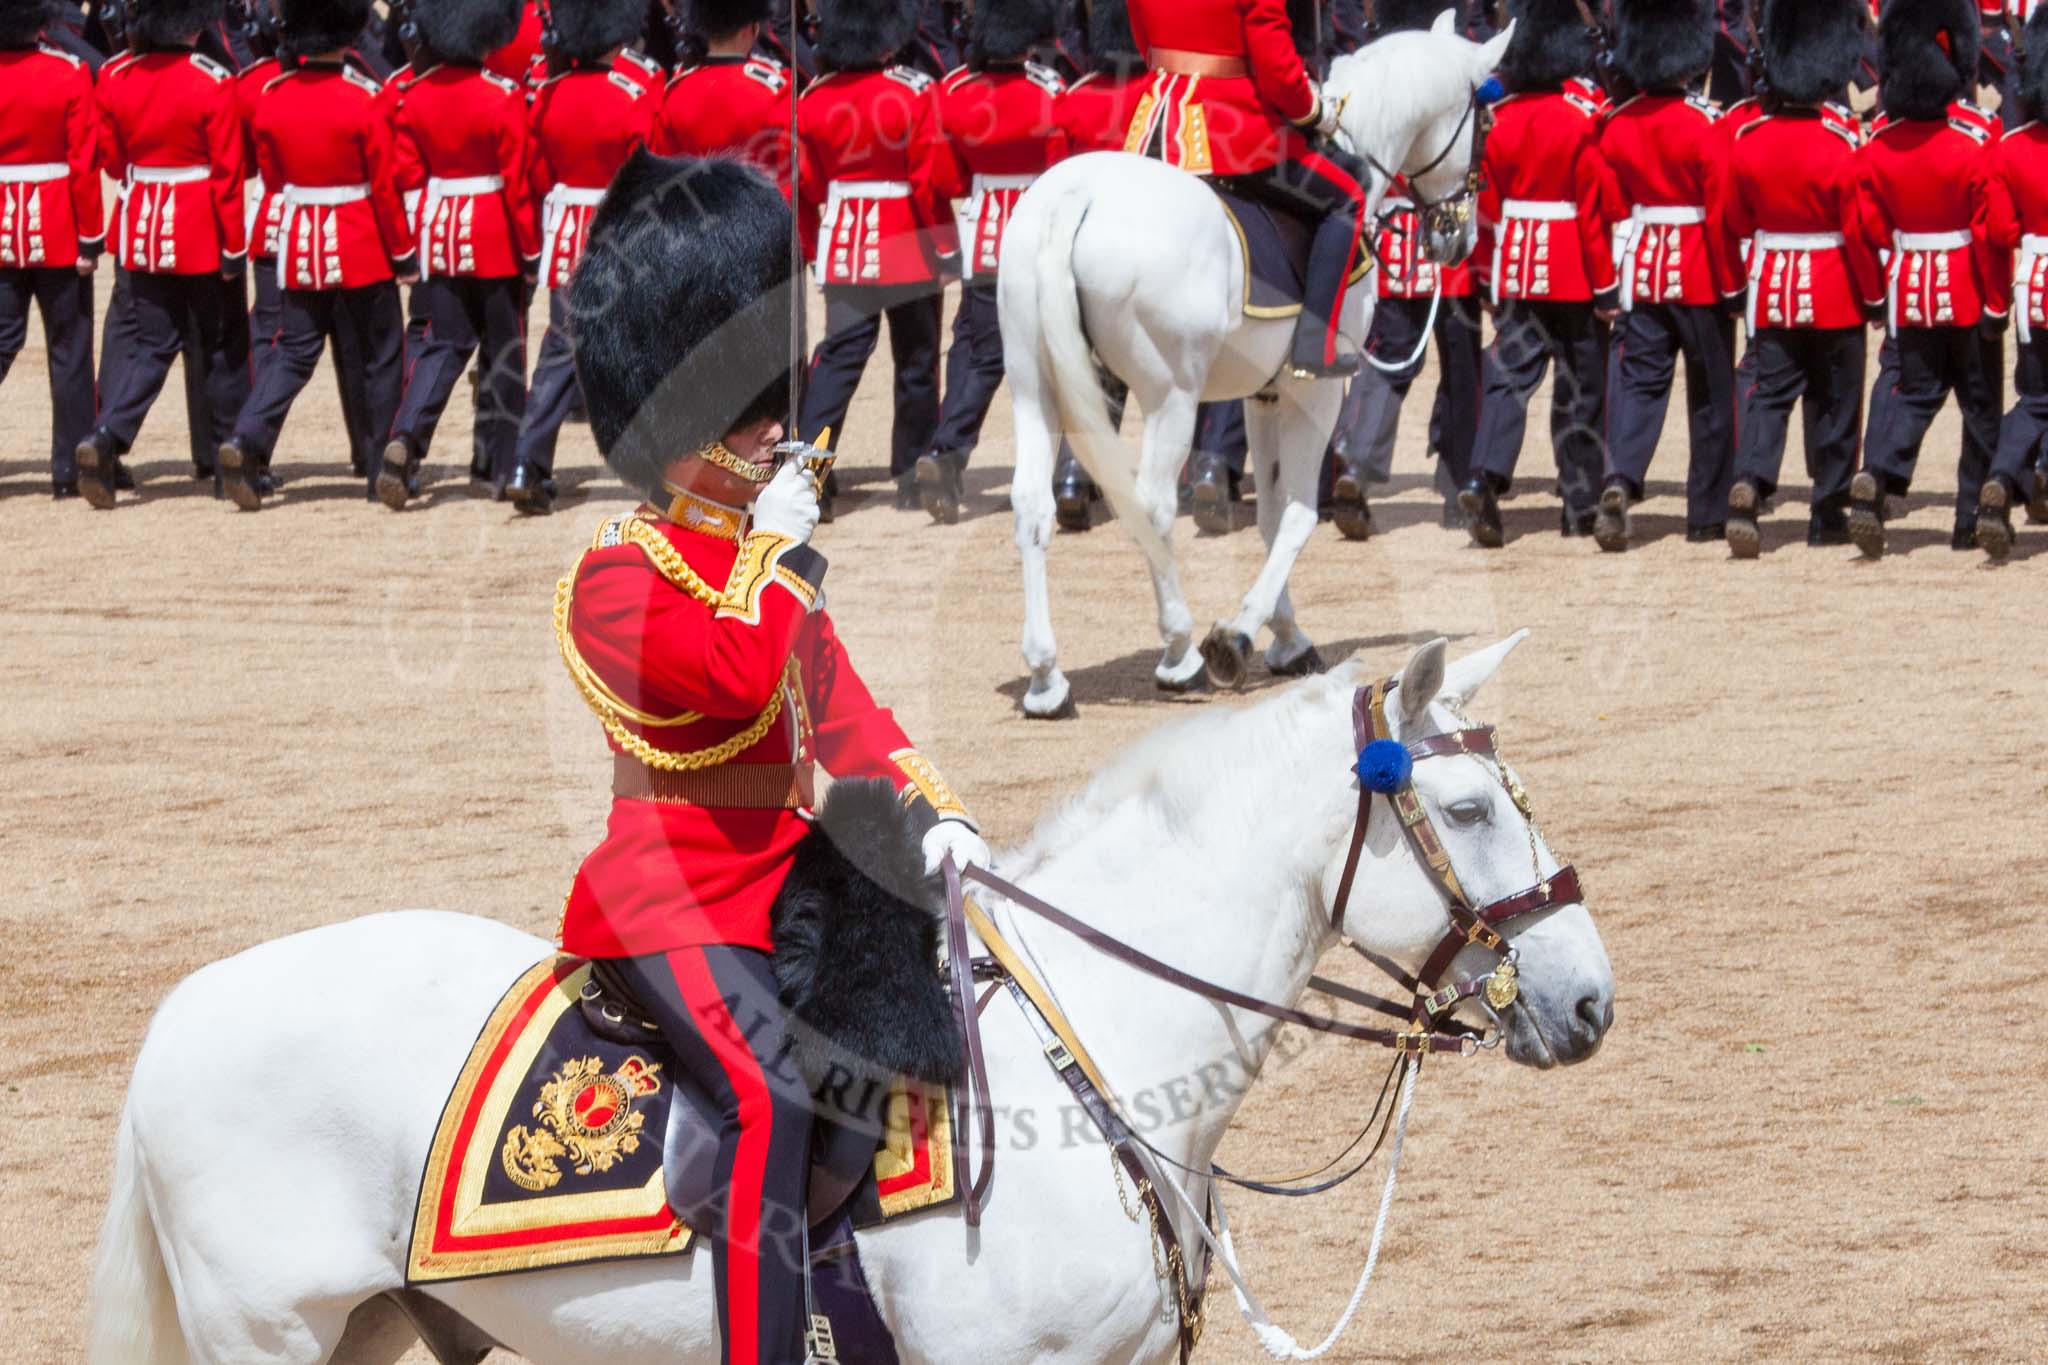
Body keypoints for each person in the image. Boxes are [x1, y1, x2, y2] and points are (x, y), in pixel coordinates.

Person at [560, 151, 987, 1365]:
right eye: (746, 416)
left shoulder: (754, 568)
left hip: (788, 873)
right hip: (671, 889)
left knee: (913, 1051)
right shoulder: (617, 576)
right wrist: (787, 560)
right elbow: (742, 676)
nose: (770, 435)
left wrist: (931, 807)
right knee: (773, 1093)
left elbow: (843, 712)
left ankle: (853, 1311)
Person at [217, 0, 416, 509]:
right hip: (359, 243)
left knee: (293, 352)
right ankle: (379, 470)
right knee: (380, 355)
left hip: (301, 242)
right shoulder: (365, 99)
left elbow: (276, 181)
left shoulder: (272, 99)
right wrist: (404, 254)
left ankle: (246, 438)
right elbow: (385, 189)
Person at [1122, 0, 1369, 379]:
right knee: (1346, 197)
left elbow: (1143, 40)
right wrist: (1318, 112)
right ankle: (1314, 345)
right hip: (1229, 128)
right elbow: (1279, 73)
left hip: (1154, 118)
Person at [1847, 0, 2008, 558]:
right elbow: (1988, 233)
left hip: (1910, 288)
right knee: (1981, 405)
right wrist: (1995, 302)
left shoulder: (1880, 144)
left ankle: (1881, 472)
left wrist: (1880, 290)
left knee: (1913, 395)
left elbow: (1868, 227)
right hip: (1965, 287)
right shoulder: (1975, 138)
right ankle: (1975, 516)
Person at [1719, 0, 1878, 558]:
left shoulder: (1750, 139)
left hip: (1773, 287)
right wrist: (1875, 296)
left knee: (1768, 393)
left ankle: (1751, 480)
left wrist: (1740, 285)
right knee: (1837, 401)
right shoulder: (1842, 142)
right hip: (1835, 289)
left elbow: (1734, 221)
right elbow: (1857, 230)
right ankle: (1827, 510)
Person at [76, 0, 248, 510]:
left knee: (152, 347)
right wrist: (234, 247)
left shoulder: (117, 76)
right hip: (200, 230)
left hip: (142, 228)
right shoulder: (213, 81)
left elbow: (111, 161)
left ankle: (107, 435)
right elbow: (227, 175)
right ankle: (226, 464)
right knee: (221, 348)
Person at [1460, 0, 1620, 548]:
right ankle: (1578, 504)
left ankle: (1484, 475)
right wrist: (1606, 287)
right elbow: (1593, 211)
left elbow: (1485, 210)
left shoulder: (1499, 120)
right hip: (1573, 266)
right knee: (1580, 387)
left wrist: (1484, 276)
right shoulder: (1582, 116)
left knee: (1509, 376)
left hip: (1517, 262)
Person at [1328, 0, 1486, 539]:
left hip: (1391, 235)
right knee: (1460, 363)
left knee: (1392, 350)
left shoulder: (1360, 73)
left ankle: (1357, 457)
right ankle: (1461, 480)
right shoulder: (1436, 73)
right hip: (1440, 223)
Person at [794, 0, 957, 509]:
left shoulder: (814, 99)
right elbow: (929, 181)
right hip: (906, 241)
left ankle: (806, 477)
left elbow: (810, 185)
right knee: (917, 360)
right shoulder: (914, 92)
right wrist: (946, 247)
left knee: (838, 359)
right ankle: (911, 474)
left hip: (845, 242)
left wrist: (816, 243)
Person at [1593, 0, 1741, 552]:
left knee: (1638, 383)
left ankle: (1620, 477)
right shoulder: (1706, 124)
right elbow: (1721, 211)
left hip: (1641, 270)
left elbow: (1611, 204)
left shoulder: (1614, 123)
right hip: (1699, 271)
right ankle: (1705, 514)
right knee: (1710, 394)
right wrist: (1733, 286)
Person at [378, 0, 537, 509]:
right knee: (503, 349)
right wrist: (531, 249)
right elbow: (515, 184)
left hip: (441, 233)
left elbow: (407, 175)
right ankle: (497, 460)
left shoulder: (414, 96)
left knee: (443, 345)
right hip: (493, 235)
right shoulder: (503, 96)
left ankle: (405, 436)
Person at [917, 0, 1063, 523]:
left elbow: (945, 180)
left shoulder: (953, 92)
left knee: (980, 352)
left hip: (984, 238)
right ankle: (1066, 470)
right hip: (1040, 235)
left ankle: (947, 451)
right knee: (1057, 353)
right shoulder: (1049, 92)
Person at [510, 0, 654, 515]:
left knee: (560, 349)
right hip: (619, 229)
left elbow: (535, 172)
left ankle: (527, 461)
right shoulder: (634, 92)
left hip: (568, 228)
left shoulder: (547, 94)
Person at [0, 0, 102, 499]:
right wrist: (90, 237)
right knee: (70, 350)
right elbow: (83, 161)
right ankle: (71, 470)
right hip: (59, 225)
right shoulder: (68, 72)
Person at [1978, 2, 2048, 558]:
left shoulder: (2012, 148)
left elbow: (2001, 230)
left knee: (2035, 396)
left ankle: (2004, 475)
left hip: (2034, 289)